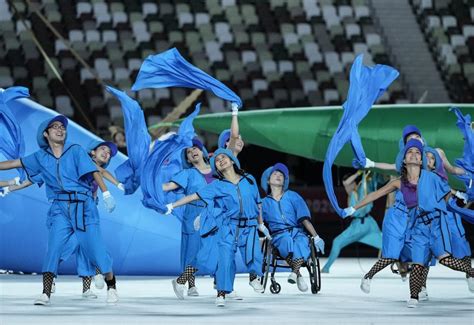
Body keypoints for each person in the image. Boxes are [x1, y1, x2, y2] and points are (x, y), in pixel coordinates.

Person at [0, 115, 119, 305]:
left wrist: (106, 194)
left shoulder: (75, 150)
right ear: (46, 134)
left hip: (84, 207)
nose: (60, 129)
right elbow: (15, 163)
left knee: (95, 250)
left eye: (62, 127)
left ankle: (111, 285)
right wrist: (10, 184)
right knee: (53, 249)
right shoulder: (41, 157)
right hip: (60, 208)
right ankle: (46, 292)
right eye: (54, 126)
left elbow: (95, 171)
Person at [344, 139, 474, 308]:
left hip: (435, 225)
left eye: (417, 152)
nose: (414, 154)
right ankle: (414, 296)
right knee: (418, 264)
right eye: (410, 152)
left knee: (446, 260)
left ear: (421, 161)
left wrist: (463, 198)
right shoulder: (399, 182)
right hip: (418, 227)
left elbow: (448, 196)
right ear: (404, 160)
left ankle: (471, 273)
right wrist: (352, 208)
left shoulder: (432, 178)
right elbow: (374, 195)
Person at [164, 148, 268, 307]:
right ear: (216, 169)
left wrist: (261, 223)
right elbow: (194, 196)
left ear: (233, 160)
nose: (220, 160)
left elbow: (258, 203)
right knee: (218, 257)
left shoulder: (249, 179)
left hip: (249, 225)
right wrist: (172, 205)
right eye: (217, 160)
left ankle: (253, 278)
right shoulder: (216, 185)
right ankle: (220, 292)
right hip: (227, 225)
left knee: (253, 254)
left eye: (224, 157)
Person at [161, 138, 214, 299]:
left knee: (213, 249)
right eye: (189, 153)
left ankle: (222, 284)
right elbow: (168, 186)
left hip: (214, 214)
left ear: (202, 151)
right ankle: (190, 284)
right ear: (188, 160)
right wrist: (148, 183)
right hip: (193, 214)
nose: (192, 152)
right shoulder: (187, 173)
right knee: (192, 250)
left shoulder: (217, 169)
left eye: (194, 148)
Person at [260, 163, 325, 291]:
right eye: (275, 174)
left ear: (285, 181)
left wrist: (316, 236)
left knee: (301, 242)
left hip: (297, 232)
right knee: (285, 241)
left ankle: (295, 273)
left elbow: (304, 218)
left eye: (281, 175)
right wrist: (261, 226)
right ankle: (298, 274)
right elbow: (257, 219)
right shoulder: (263, 203)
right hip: (278, 235)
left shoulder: (293, 196)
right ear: (268, 180)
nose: (278, 176)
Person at [321, 170, 382, 273]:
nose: (346, 187)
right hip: (369, 223)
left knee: (337, 242)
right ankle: (405, 264)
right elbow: (346, 183)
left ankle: (326, 268)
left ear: (354, 182)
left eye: (349, 184)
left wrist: (359, 173)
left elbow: (346, 182)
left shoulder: (360, 189)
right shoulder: (356, 191)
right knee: (387, 245)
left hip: (361, 225)